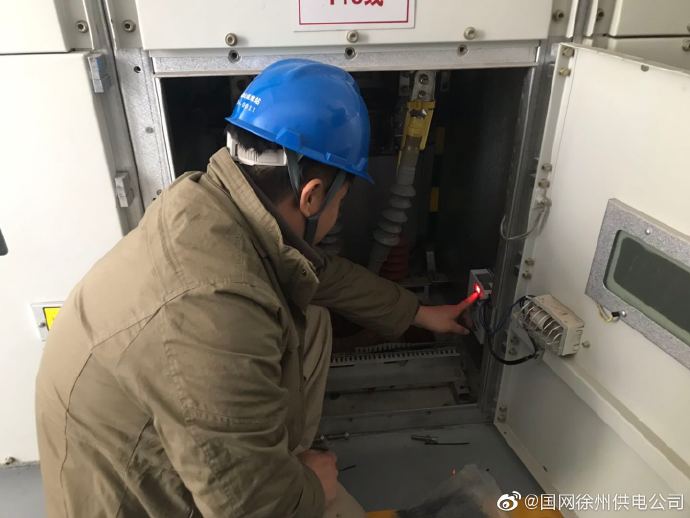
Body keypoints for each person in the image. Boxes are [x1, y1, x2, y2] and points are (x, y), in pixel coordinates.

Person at [35, 59, 475, 517]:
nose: (338, 213)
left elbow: (316, 272)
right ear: (312, 195)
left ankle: (282, 461)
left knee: (313, 314)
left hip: (147, 450)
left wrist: (418, 313)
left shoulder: (210, 207)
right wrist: (311, 486)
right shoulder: (213, 307)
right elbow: (250, 508)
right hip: (140, 502)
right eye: (341, 201)